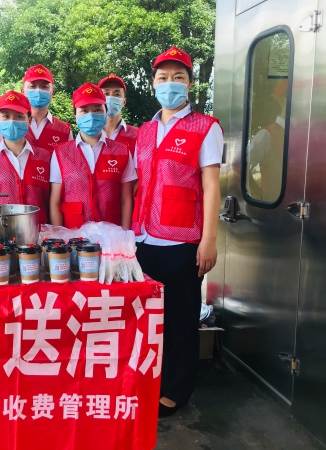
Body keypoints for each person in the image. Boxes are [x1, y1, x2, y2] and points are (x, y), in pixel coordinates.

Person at [131, 46, 224, 416]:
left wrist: (209, 240)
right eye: (163, 78)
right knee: (148, 317)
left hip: (182, 241)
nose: (170, 84)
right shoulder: (145, 131)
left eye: (178, 77)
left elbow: (212, 187)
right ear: (153, 83)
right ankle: (150, 381)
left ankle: (176, 390)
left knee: (180, 319)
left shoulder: (205, 128)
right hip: (143, 239)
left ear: (189, 83)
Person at [49, 82, 137, 229]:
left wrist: (126, 235)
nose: (91, 115)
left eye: (97, 110)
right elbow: (55, 202)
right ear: (75, 114)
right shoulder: (61, 153)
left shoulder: (121, 151)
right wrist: (59, 237)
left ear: (105, 112)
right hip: (73, 234)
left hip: (111, 234)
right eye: (84, 110)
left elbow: (126, 200)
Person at [0, 90, 51, 225]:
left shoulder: (46, 157)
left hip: (38, 230)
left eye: (19, 116)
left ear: (29, 120)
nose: (12, 121)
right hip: (0, 230)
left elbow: (52, 200)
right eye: (6, 116)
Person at [0, 64, 73, 150]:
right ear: (23, 92)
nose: (38, 91)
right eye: (32, 86)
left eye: (44, 86)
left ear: (52, 93)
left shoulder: (64, 130)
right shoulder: (7, 127)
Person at [97, 73, 139, 155]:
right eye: (106, 94)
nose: (111, 98)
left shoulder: (137, 135)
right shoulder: (90, 135)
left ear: (124, 102)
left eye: (117, 94)